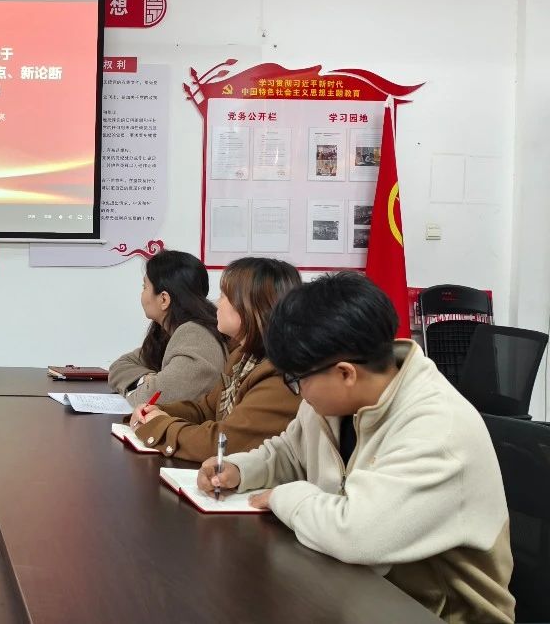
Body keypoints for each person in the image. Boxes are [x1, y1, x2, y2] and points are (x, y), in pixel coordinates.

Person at [199, 272, 514, 623]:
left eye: (299, 379)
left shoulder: (437, 427)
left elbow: (358, 535)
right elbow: (289, 451)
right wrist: (240, 469)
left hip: (436, 613)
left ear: (346, 373)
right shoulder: (330, 401)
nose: (298, 391)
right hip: (358, 592)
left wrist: (282, 496)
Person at [129, 257, 301, 461]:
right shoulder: (243, 356)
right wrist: (157, 410)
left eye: (225, 296)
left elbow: (220, 443)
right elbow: (207, 409)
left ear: (252, 307)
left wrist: (158, 425)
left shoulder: (279, 376)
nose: (217, 303)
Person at [107, 250, 226, 407]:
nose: (142, 294)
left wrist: (148, 386)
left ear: (164, 299)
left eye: (145, 287)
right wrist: (147, 378)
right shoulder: (167, 333)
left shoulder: (196, 335)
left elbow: (150, 399)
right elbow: (119, 366)